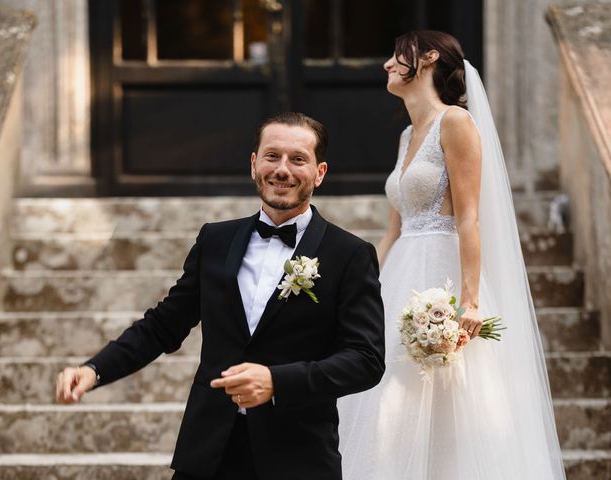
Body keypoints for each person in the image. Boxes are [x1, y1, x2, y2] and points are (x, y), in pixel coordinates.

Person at [55, 112, 385, 480]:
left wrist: (278, 381)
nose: (282, 170)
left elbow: (366, 359)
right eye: (272, 156)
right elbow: (163, 325)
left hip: (298, 457)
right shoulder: (215, 240)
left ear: (319, 172)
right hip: (208, 453)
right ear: (254, 164)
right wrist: (95, 369)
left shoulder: (350, 254)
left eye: (298, 159)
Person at [337, 31, 566, 479]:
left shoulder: (456, 123)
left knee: (453, 403)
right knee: (387, 402)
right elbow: (393, 229)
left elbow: (468, 219)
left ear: (426, 59)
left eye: (395, 56)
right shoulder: (406, 135)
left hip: (440, 277)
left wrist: (471, 300)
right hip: (400, 273)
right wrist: (362, 289)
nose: (386, 64)